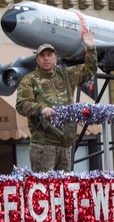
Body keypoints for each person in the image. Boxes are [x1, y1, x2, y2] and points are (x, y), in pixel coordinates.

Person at [15, 29, 98, 172]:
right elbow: (21, 105)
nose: (46, 58)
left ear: (55, 58)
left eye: (49, 55)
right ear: (37, 59)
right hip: (44, 145)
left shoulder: (65, 75)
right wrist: (41, 109)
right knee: (45, 189)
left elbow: (89, 70)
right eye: (42, 56)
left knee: (64, 189)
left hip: (65, 144)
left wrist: (90, 48)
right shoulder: (30, 80)